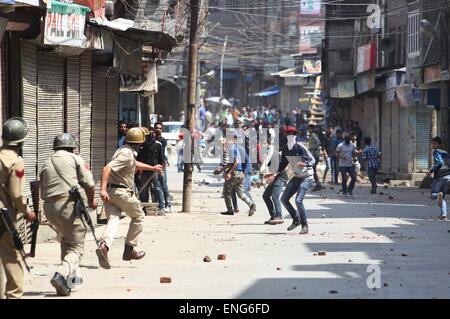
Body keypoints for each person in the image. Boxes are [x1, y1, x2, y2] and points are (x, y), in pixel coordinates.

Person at [40, 133, 97, 296]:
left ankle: (69, 282)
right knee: (77, 247)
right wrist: (92, 201)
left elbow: (39, 184)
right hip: (67, 205)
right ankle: (61, 273)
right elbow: (89, 183)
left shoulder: (47, 161)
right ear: (72, 146)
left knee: (66, 240)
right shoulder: (75, 158)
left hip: (49, 208)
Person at [97, 128, 163, 269]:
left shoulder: (123, 151)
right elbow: (106, 168)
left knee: (113, 219)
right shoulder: (126, 155)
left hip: (111, 192)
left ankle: (104, 246)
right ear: (140, 143)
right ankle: (129, 250)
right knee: (138, 216)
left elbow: (133, 164)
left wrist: (152, 168)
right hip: (120, 192)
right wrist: (101, 189)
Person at [0, 117, 36, 299]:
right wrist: (27, 212)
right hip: (4, 218)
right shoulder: (15, 161)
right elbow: (17, 194)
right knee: (14, 260)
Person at [275, 126, 316, 234]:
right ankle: (296, 219)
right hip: (297, 176)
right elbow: (283, 164)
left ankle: (305, 225)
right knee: (284, 199)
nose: (290, 136)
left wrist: (305, 163)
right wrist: (273, 173)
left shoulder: (300, 147)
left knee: (298, 200)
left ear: (296, 135)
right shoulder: (285, 149)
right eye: (288, 134)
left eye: (292, 134)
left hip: (307, 177)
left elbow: (313, 160)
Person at [216, 135, 256, 216]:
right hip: (240, 173)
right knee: (240, 193)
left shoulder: (232, 149)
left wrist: (229, 172)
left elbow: (236, 163)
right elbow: (231, 163)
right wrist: (221, 170)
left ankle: (230, 210)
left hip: (235, 173)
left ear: (233, 140)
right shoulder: (237, 148)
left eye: (226, 141)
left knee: (227, 192)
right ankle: (251, 204)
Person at [137, 128, 166, 215]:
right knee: (143, 190)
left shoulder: (158, 145)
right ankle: (144, 208)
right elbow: (139, 159)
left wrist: (161, 170)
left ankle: (161, 208)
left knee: (157, 188)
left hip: (155, 171)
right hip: (145, 170)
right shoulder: (142, 145)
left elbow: (161, 160)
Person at [261, 132, 287, 225]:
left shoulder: (274, 153)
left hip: (280, 177)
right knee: (265, 196)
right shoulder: (268, 154)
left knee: (275, 196)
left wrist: (273, 175)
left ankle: (279, 216)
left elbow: (280, 167)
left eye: (264, 144)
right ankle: (273, 216)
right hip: (275, 177)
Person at [428, 137, 450, 221]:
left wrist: (431, 170)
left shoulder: (436, 152)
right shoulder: (446, 153)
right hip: (448, 176)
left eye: (434, 144)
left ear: (439, 145)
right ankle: (444, 215)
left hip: (440, 176)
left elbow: (439, 163)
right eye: (432, 143)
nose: (433, 145)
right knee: (442, 197)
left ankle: (438, 195)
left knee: (434, 195)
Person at [154, 122, 172, 210]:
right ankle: (160, 204)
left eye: (160, 128)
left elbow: (161, 154)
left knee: (164, 185)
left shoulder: (163, 140)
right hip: (154, 165)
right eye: (157, 128)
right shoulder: (152, 139)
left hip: (161, 165)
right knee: (157, 186)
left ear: (162, 130)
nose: (158, 129)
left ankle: (167, 204)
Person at [307, 124, 323, 191]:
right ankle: (317, 184)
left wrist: (311, 148)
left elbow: (318, 143)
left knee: (313, 170)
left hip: (315, 155)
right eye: (308, 128)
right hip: (312, 155)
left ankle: (318, 185)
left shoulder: (314, 136)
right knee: (312, 169)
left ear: (312, 129)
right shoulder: (311, 136)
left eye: (310, 128)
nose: (309, 130)